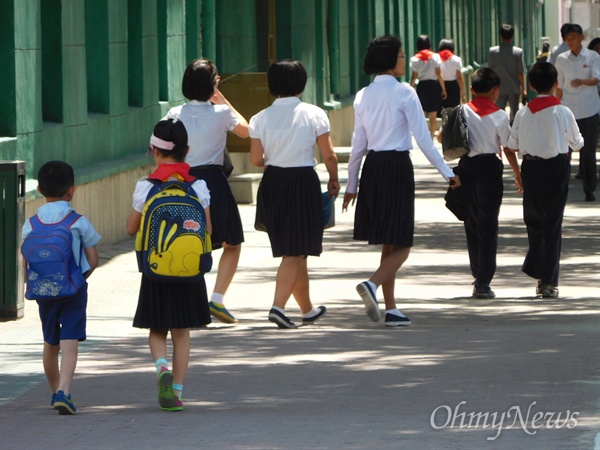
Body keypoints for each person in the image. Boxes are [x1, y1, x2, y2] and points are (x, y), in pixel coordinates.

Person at [343, 35, 460, 327]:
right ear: (389, 60)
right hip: (396, 167)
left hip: (373, 167)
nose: (403, 61)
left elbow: (358, 144)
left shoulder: (363, 95)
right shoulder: (405, 93)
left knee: (389, 241)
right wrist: (447, 172)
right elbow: (424, 139)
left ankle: (392, 309)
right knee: (403, 242)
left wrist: (352, 184)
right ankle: (371, 284)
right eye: (400, 56)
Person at [126, 119, 212, 411]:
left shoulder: (145, 186)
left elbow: (130, 229)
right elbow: (208, 230)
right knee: (182, 332)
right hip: (189, 271)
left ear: (153, 150)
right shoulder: (198, 186)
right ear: (187, 150)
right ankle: (176, 392)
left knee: (157, 328)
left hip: (155, 269)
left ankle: (161, 367)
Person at [249, 60, 340, 329]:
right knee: (294, 251)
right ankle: (278, 307)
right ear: (302, 83)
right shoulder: (314, 113)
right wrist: (334, 180)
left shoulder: (259, 117)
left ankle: (308, 309)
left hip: (273, 182)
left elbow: (256, 160)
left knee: (297, 250)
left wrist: (276, 156)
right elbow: (330, 155)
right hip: (302, 182)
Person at [165, 59, 248, 323]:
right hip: (213, 181)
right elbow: (246, 131)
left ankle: (190, 303)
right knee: (232, 242)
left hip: (181, 180)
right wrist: (221, 98)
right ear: (212, 85)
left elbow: (160, 147)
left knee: (187, 242)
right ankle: (218, 300)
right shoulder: (222, 113)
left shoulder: (173, 114)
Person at [21, 161, 101, 414]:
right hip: (73, 290)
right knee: (69, 340)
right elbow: (94, 260)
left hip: (43, 291)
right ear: (72, 190)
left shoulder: (30, 224)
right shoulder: (77, 221)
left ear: (41, 190)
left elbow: (26, 260)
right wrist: (79, 278)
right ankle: (64, 391)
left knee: (50, 341)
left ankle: (54, 391)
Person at [439, 68, 521, 298]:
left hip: (467, 169)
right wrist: (517, 173)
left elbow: (443, 137)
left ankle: (478, 274)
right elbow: (508, 147)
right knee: (488, 225)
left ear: (472, 90)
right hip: (490, 171)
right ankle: (484, 281)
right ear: (496, 91)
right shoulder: (499, 116)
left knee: (471, 223)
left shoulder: (460, 111)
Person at [505, 62, 584, 298]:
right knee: (553, 224)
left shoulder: (523, 112)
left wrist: (518, 174)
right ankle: (549, 281)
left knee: (534, 223)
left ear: (529, 85)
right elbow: (578, 143)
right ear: (556, 83)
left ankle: (541, 275)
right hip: (557, 168)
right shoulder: (563, 111)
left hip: (530, 168)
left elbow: (511, 145)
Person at [555, 23, 600, 201]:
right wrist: (556, 106)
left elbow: (596, 79)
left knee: (588, 153)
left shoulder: (593, 56)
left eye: (574, 38)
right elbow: (558, 86)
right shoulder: (561, 59)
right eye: (567, 39)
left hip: (590, 110)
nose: (571, 42)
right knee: (565, 153)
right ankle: (561, 189)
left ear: (581, 37)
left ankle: (589, 189)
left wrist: (582, 81)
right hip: (568, 111)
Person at [488, 24, 527, 123]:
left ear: (500, 36)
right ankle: (513, 133)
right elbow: (520, 72)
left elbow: (490, 70)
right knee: (514, 113)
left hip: (498, 88)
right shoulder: (518, 52)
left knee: (499, 113)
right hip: (514, 88)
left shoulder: (493, 52)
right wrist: (523, 89)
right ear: (513, 36)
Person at [410, 35, 447, 138]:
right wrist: (443, 89)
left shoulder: (414, 59)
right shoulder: (435, 57)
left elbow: (414, 76)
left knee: (421, 113)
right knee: (433, 114)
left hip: (422, 85)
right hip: (433, 85)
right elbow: (439, 74)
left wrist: (411, 88)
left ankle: (422, 136)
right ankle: (431, 136)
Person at [438, 38, 467, 108]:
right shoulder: (456, 59)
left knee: (441, 109)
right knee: (454, 108)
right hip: (454, 86)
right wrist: (463, 93)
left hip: (439, 85)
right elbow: (459, 78)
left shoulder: (436, 58)